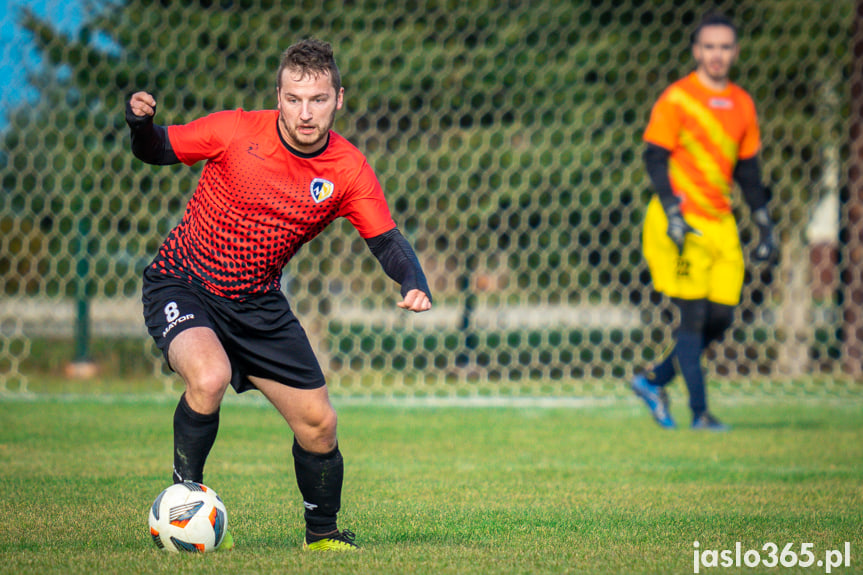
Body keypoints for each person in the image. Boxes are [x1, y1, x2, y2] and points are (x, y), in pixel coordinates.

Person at [126, 38, 432, 551]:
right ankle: (183, 501)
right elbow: (157, 148)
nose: (305, 113)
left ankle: (323, 535)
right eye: (293, 98)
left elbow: (387, 241)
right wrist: (140, 125)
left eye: (317, 99)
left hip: (259, 305)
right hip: (184, 282)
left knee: (319, 422)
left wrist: (413, 280)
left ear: (339, 98)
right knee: (210, 375)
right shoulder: (235, 130)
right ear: (278, 96)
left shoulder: (347, 170)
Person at [632, 13, 775, 431]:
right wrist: (673, 211)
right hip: (679, 222)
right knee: (693, 319)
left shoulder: (742, 104)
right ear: (696, 51)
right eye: (709, 46)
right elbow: (654, 156)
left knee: (723, 317)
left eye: (725, 47)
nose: (717, 54)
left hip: (721, 222)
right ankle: (700, 414)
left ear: (735, 52)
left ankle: (653, 380)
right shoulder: (678, 99)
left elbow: (748, 170)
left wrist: (765, 225)